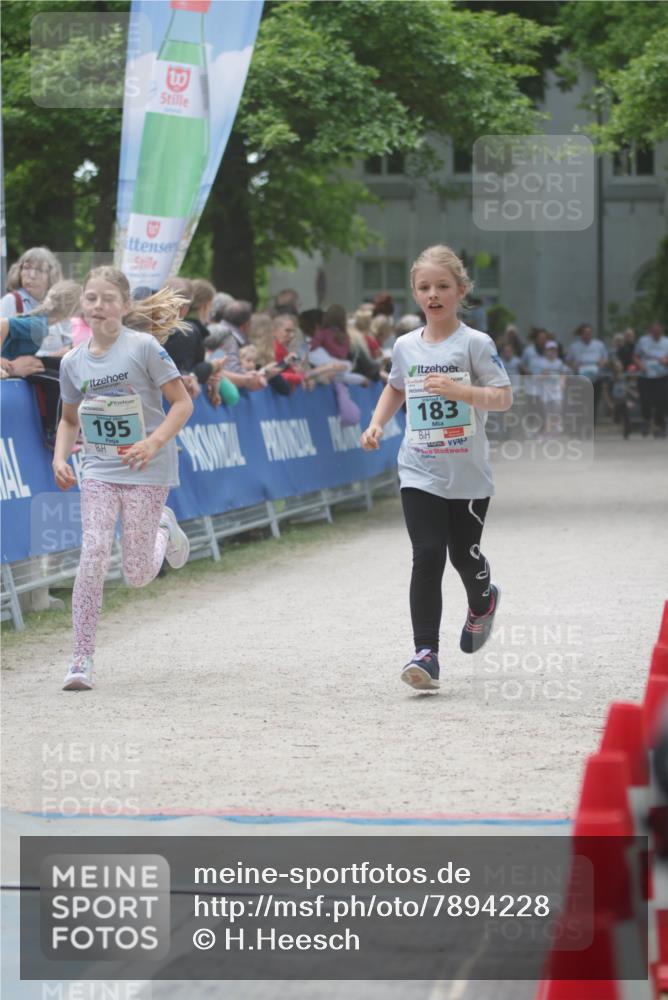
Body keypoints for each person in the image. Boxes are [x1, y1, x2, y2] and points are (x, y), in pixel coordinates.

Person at [361, 245, 512, 692]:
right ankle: (426, 654)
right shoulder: (405, 346)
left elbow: (502, 397)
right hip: (419, 468)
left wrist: (460, 392)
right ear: (414, 291)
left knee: (463, 554)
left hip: (466, 473)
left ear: (461, 291)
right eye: (425, 287)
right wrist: (375, 424)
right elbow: (395, 389)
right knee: (427, 554)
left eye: (443, 286)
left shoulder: (475, 344)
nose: (433, 294)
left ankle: (483, 601)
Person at [52, 267, 194, 692]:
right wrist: (61, 457)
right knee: (93, 551)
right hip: (98, 469)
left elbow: (182, 404)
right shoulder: (73, 361)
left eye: (108, 298)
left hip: (147, 468)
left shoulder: (144, 348)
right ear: (83, 305)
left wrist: (153, 442)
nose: (99, 306)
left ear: (125, 305)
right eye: (92, 298)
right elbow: (68, 418)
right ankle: (80, 658)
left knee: (136, 573)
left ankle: (164, 526)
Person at [565, 323, 609, 423]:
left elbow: (605, 357)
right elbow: (568, 360)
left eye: (589, 333)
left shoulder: (599, 344)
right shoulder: (574, 346)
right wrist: (574, 365)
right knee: (581, 402)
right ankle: (581, 423)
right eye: (585, 333)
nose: (587, 335)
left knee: (594, 402)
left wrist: (602, 362)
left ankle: (591, 423)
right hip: (581, 378)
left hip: (596, 377)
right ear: (581, 334)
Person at [634, 320, 668, 438]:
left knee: (661, 402)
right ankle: (647, 420)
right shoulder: (643, 341)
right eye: (654, 331)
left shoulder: (666, 342)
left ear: (662, 331)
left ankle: (660, 425)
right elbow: (636, 356)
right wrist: (640, 365)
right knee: (645, 400)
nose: (656, 333)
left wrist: (666, 361)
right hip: (645, 375)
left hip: (661, 376)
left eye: (659, 331)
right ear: (651, 331)